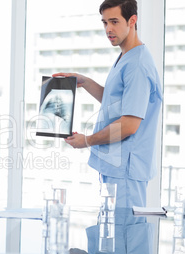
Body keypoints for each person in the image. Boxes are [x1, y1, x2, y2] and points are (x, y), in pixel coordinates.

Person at [53, 0, 162, 208]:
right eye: (104, 22)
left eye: (114, 21)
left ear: (132, 21)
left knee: (123, 235)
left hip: (126, 171)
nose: (108, 29)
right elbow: (116, 103)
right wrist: (84, 82)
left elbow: (129, 125)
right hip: (116, 168)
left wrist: (87, 141)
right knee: (111, 233)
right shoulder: (125, 57)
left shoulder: (137, 65)